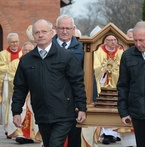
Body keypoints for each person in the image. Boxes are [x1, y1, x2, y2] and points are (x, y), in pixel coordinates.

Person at [11, 19, 87, 147]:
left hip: (64, 113)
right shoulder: (26, 60)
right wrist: (16, 112)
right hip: (42, 113)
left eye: (44, 32)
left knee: (54, 144)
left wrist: (82, 108)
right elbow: (20, 88)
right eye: (37, 32)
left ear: (52, 33)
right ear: (33, 36)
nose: (41, 35)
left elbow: (77, 82)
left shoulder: (66, 56)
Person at [52, 15, 84, 147]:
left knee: (74, 139)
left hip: (73, 102)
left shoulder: (82, 49)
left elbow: (86, 76)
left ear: (74, 29)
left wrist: (84, 104)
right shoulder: (47, 48)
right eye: (61, 28)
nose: (65, 31)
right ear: (55, 29)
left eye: (68, 28)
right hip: (52, 100)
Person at [5, 41, 42, 144]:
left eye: (30, 50)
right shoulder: (16, 62)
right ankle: (20, 133)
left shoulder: (38, 61)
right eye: (25, 50)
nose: (27, 52)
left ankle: (33, 135)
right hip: (22, 93)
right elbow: (11, 77)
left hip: (34, 94)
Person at [93, 34, 123, 144]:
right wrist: (105, 70)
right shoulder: (99, 52)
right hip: (103, 84)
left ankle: (114, 133)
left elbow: (123, 67)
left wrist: (114, 71)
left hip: (116, 84)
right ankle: (106, 134)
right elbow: (96, 67)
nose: (113, 42)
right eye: (110, 40)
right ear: (105, 41)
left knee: (115, 107)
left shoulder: (120, 52)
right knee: (104, 107)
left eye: (115, 40)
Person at [0, 33, 22, 135]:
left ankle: (20, 129)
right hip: (7, 83)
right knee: (6, 104)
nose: (15, 44)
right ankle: (8, 127)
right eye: (13, 42)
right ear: (8, 42)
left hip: (22, 83)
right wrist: (11, 67)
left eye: (16, 41)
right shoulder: (2, 54)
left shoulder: (23, 53)